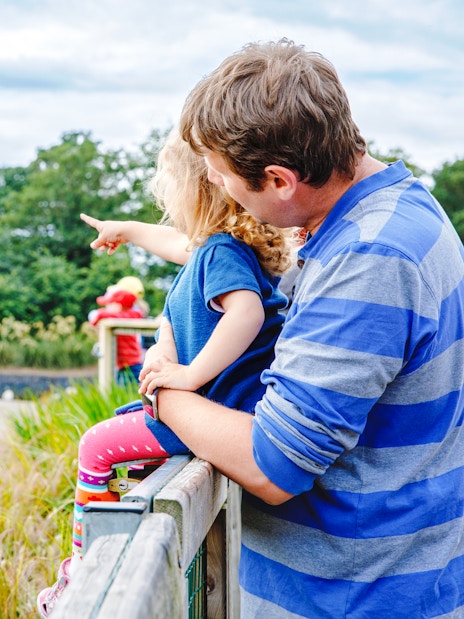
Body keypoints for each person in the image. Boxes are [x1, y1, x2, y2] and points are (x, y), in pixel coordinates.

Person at [143, 40, 464, 618]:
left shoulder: (371, 257)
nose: (218, 189)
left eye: (223, 177)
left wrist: (163, 391)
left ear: (280, 179)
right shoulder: (393, 211)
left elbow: (274, 463)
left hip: (352, 595)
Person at [36, 129, 292, 617]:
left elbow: (247, 314)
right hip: (222, 408)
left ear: (197, 193)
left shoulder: (220, 252)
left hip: (214, 408)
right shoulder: (221, 248)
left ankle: (80, 571)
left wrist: (190, 375)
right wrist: (127, 229)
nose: (167, 205)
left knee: (96, 445)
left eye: (170, 191)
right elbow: (176, 244)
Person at [88, 285, 145, 385]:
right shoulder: (122, 316)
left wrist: (98, 316)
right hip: (122, 366)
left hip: (131, 366)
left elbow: (100, 315)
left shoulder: (128, 316)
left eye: (108, 304)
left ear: (118, 305)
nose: (105, 307)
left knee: (131, 393)